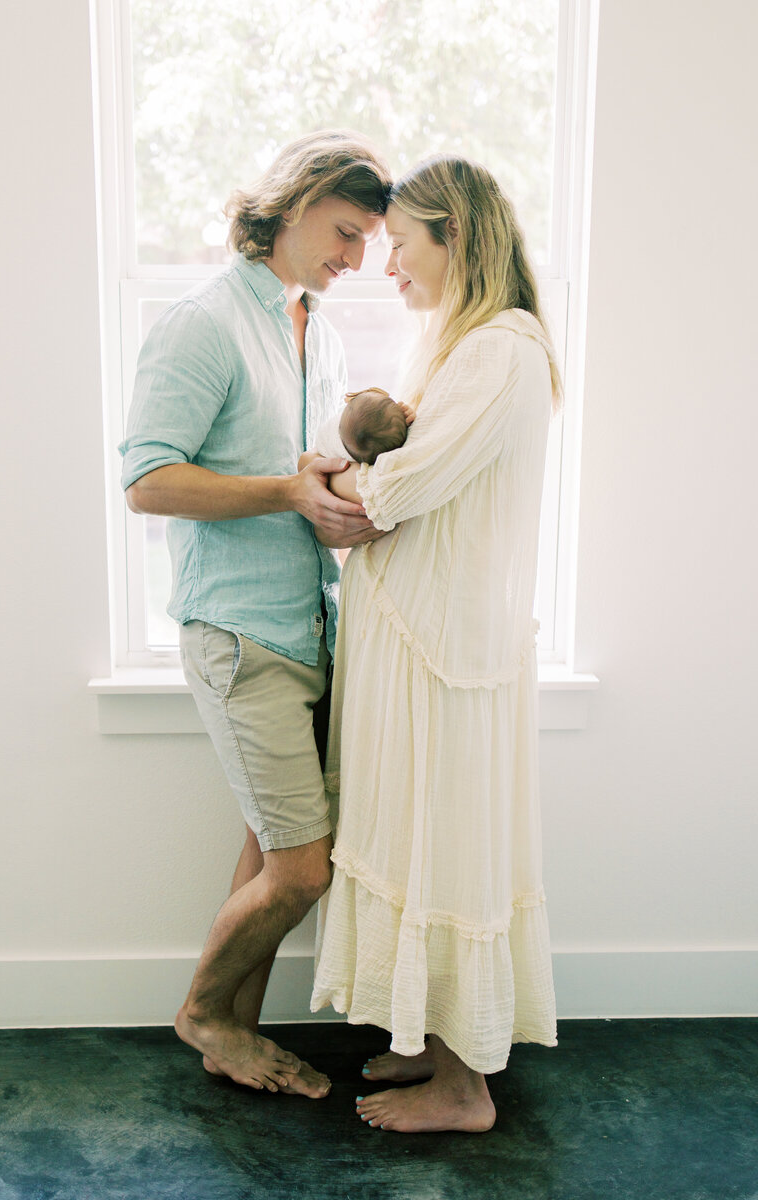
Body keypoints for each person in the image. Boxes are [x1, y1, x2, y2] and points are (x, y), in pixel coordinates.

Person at [119, 130, 392, 1097]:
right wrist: (288, 492)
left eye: (369, 242)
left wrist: (334, 494)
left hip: (310, 627)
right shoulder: (204, 323)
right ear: (299, 199)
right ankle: (202, 1012)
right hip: (241, 636)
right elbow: (149, 483)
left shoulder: (316, 325)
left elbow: (293, 473)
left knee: (271, 848)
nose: (357, 259)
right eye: (347, 232)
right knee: (304, 871)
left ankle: (233, 1029)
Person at [310, 154, 563, 1132]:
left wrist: (330, 484)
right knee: (415, 840)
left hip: (447, 660)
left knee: (448, 845)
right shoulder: (465, 349)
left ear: (452, 233)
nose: (386, 268)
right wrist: (348, 477)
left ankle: (464, 1087)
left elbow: (400, 491)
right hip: (420, 649)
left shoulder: (498, 349)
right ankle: (422, 1038)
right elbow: (398, 473)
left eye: (401, 245)